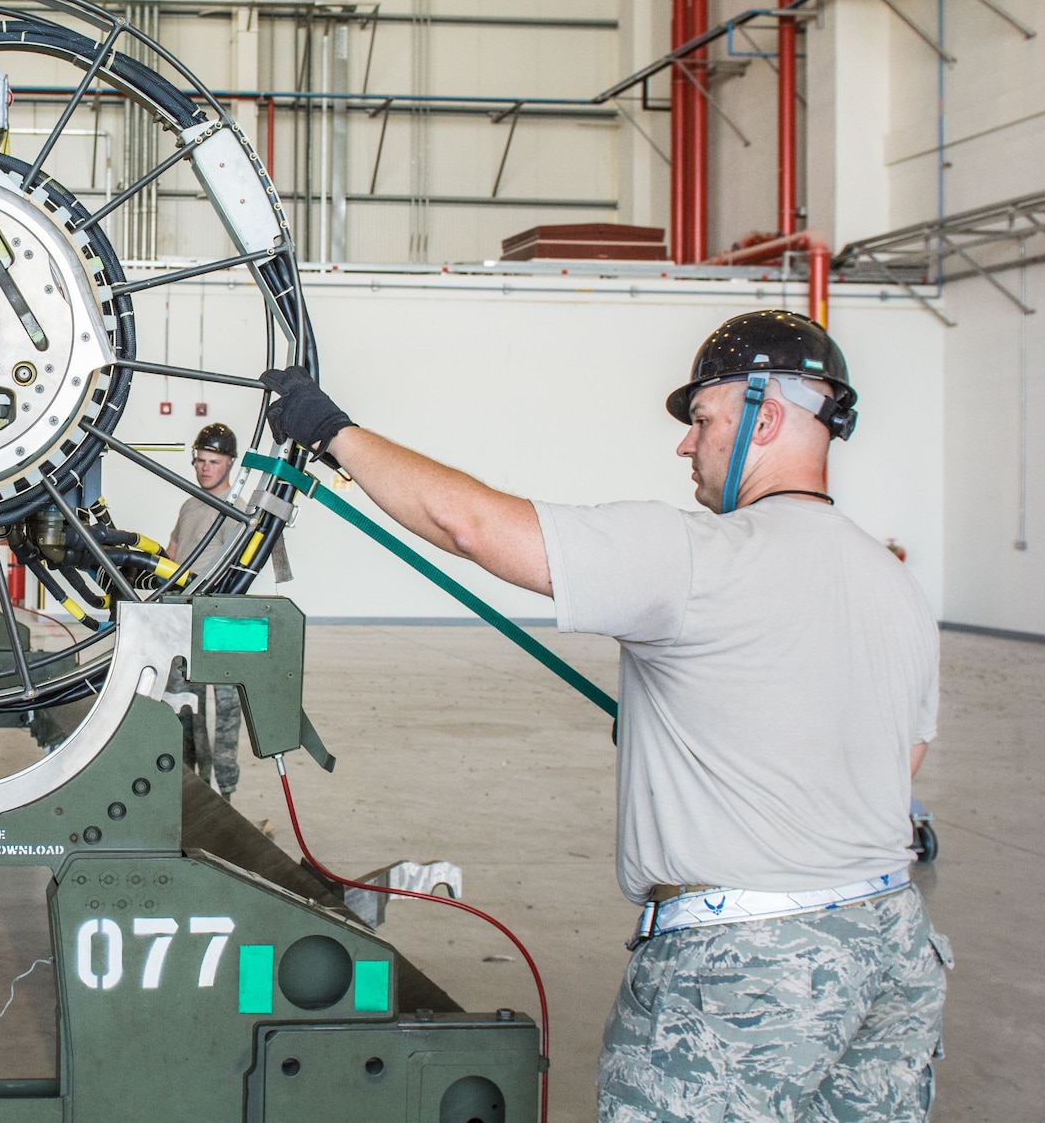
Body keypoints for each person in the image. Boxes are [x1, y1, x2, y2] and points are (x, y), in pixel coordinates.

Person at [261, 310, 947, 1122]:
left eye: (702, 420)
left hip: (747, 972)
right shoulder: (894, 582)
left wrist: (332, 431)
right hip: (893, 948)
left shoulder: (698, 558)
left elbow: (473, 525)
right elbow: (902, 757)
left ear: (765, 418)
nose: (686, 445)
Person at [164, 421, 292, 800]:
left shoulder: (237, 511)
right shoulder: (189, 505)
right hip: (181, 622)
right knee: (181, 711)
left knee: (223, 717)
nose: (204, 468)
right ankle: (187, 792)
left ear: (231, 463)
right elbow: (171, 554)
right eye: (200, 460)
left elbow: (238, 574)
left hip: (218, 627)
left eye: (213, 461)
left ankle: (225, 797)